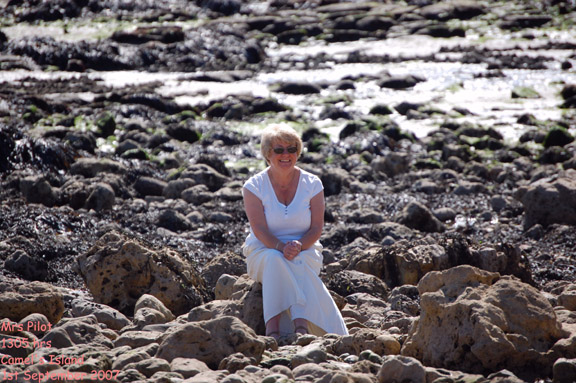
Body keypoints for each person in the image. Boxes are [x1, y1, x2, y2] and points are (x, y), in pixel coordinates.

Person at [241, 123, 348, 340]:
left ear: (298, 152)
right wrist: (281, 247)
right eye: (278, 150)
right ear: (267, 154)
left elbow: (316, 228)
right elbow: (259, 229)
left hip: (306, 249)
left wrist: (299, 245)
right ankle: (274, 329)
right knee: (274, 258)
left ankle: (301, 325)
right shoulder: (253, 187)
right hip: (263, 249)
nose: (285, 155)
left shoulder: (313, 184)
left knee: (295, 259)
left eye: (291, 149)